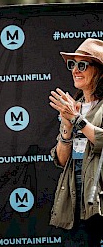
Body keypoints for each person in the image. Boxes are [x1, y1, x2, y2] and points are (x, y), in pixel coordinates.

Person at [49, 38, 103, 247]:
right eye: (72, 65)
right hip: (75, 198)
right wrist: (67, 128)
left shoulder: (77, 111)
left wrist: (77, 119)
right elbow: (62, 160)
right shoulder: (74, 107)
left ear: (99, 71)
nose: (75, 70)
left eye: (82, 65)